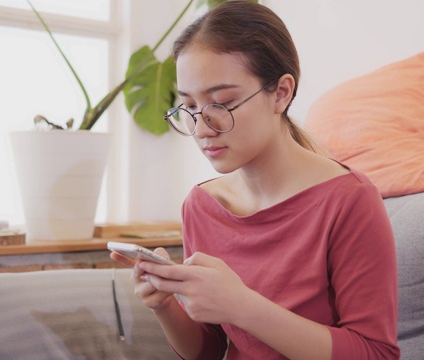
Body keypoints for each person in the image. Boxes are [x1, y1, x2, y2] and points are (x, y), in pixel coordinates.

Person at [111, 1, 400, 359]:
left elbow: (375, 353)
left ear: (280, 93)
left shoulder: (349, 200)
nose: (202, 128)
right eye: (189, 107)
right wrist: (165, 305)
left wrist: (242, 305)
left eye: (222, 103)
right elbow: (210, 351)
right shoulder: (202, 206)